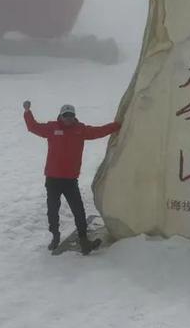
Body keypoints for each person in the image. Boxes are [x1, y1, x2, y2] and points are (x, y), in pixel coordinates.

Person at [22, 100, 121, 254]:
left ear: (74, 117)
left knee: (79, 211)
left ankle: (84, 241)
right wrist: (27, 111)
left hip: (70, 180)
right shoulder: (52, 128)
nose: (68, 118)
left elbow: (98, 131)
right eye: (65, 115)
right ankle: (55, 236)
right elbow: (33, 127)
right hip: (53, 179)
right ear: (60, 116)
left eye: (71, 115)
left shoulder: (80, 130)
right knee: (52, 210)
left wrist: (117, 126)